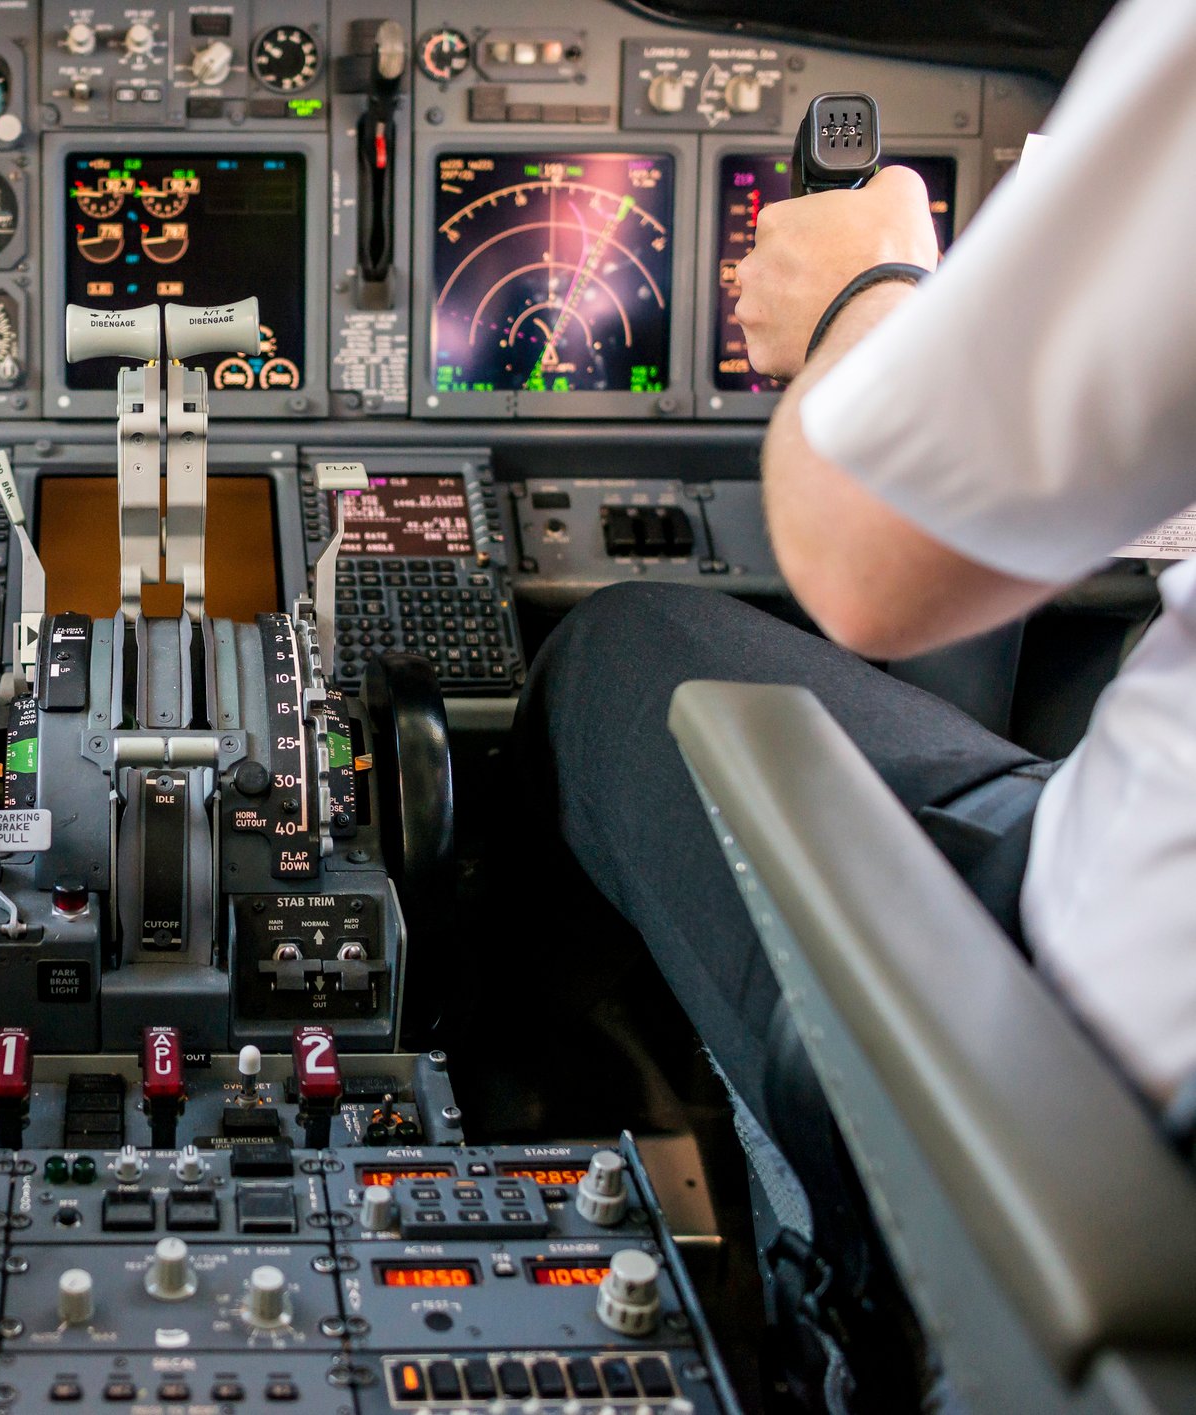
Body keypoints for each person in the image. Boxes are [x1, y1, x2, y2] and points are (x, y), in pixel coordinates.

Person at [519, 0, 1196, 1384]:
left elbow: (868, 561)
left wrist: (862, 293)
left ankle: (559, 1098)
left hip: (1070, 1070)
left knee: (615, 645)